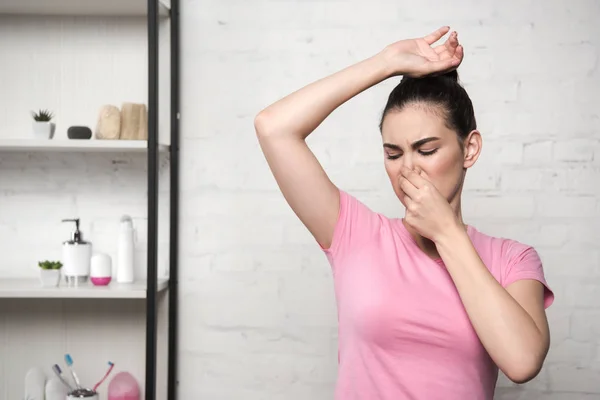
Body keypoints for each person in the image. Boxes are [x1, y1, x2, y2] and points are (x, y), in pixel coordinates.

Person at [254, 26, 554, 400]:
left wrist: (446, 233)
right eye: (393, 154)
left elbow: (523, 361)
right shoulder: (356, 234)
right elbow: (273, 127)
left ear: (470, 149)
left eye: (426, 150)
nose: (407, 169)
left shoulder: (512, 259)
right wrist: (386, 63)